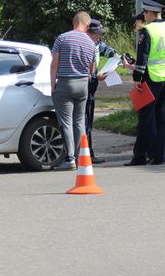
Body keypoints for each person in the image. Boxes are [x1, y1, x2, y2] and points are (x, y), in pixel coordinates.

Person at [126, 0, 165, 166]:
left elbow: (143, 58)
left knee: (146, 118)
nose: (144, 15)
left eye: (144, 12)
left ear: (149, 13)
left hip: (152, 78)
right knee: (163, 117)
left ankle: (140, 156)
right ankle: (160, 155)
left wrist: (137, 78)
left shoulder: (147, 31)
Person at [50, 12, 97, 170]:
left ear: (73, 22)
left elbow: (54, 64)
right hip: (83, 84)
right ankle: (79, 157)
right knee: (79, 122)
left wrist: (52, 84)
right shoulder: (91, 43)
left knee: (66, 122)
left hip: (65, 83)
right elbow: (92, 68)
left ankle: (69, 158)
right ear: (88, 25)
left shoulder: (62, 38)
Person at [84, 19, 120, 165]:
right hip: (84, 85)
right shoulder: (84, 44)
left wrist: (116, 56)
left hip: (92, 85)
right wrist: (95, 75)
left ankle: (89, 154)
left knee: (89, 121)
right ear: (88, 32)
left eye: (100, 34)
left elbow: (108, 50)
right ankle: (84, 155)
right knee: (84, 121)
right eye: (96, 34)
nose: (99, 37)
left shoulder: (97, 43)